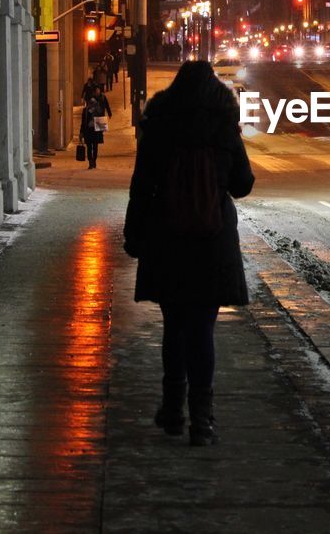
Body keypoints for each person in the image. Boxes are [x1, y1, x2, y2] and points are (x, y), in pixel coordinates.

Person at [123, 61, 254, 443]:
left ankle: (171, 410)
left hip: (167, 240)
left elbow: (140, 187)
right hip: (211, 242)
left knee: (174, 326)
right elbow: (243, 184)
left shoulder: (160, 123)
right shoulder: (223, 125)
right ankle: (203, 418)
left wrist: (134, 235)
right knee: (202, 329)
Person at [80, 89, 112, 169]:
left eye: (93, 102)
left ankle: (93, 161)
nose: (91, 103)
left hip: (95, 131)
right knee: (90, 147)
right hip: (88, 131)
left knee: (94, 147)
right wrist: (81, 133)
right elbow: (83, 123)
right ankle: (91, 162)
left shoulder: (98, 110)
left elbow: (102, 118)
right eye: (91, 102)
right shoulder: (85, 111)